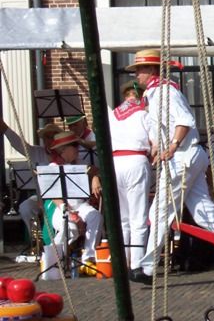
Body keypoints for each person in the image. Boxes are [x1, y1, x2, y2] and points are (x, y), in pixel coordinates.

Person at [126, 49, 214, 285]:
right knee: (203, 213)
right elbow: (164, 127)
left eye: (141, 69)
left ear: (153, 70)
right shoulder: (154, 94)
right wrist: (158, 146)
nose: (137, 74)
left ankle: (147, 269)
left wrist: (173, 146)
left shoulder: (166, 91)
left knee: (159, 211)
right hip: (187, 157)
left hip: (182, 158)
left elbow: (185, 121)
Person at [108, 80, 152, 271]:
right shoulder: (144, 114)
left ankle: (122, 263)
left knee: (123, 218)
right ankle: (137, 264)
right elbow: (155, 142)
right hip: (136, 160)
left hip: (114, 163)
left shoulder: (112, 115)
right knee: (138, 218)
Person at [0, 120, 63, 244]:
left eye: (52, 137)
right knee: (25, 207)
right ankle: (37, 242)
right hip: (41, 197)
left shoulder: (64, 152)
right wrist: (5, 129)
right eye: (46, 137)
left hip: (59, 198)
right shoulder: (37, 152)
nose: (49, 140)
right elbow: (19, 144)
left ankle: (54, 243)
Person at [48, 131, 102, 266]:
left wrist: (95, 178)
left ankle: (88, 257)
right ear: (63, 150)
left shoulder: (80, 163)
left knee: (96, 216)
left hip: (81, 205)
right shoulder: (53, 167)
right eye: (74, 146)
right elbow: (54, 196)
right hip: (61, 208)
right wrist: (70, 213)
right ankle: (53, 259)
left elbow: (96, 170)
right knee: (70, 228)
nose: (78, 149)